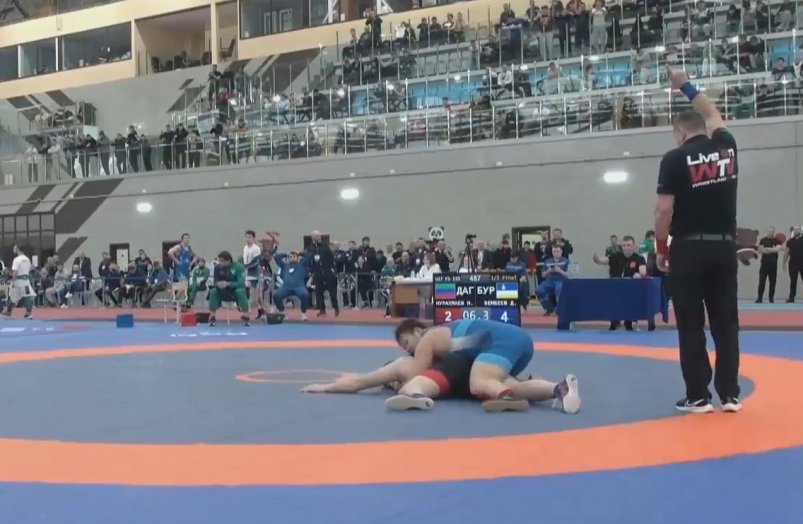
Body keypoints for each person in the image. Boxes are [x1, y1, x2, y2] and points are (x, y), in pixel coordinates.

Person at [656, 67, 741, 414]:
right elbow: (712, 112)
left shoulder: (674, 159)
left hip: (688, 248)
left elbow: (663, 211)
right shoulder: (726, 145)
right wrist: (685, 86)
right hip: (724, 246)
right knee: (726, 323)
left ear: (679, 133)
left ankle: (698, 396)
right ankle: (730, 395)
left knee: (690, 323)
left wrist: (661, 249)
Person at [303, 318, 579, 414]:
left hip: (499, 341)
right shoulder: (450, 339)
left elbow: (417, 372)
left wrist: (396, 382)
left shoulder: (429, 338)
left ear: (417, 331)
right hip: (514, 345)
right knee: (502, 383)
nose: (407, 349)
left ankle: (415, 396)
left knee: (479, 383)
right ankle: (558, 389)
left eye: (406, 342)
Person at [592, 235, 647, 330]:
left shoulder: (639, 258)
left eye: (628, 245)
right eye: (624, 245)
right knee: (613, 302)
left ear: (633, 246)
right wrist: (596, 259)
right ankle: (614, 322)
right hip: (615, 286)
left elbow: (643, 271)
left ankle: (628, 323)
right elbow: (602, 261)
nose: (626, 247)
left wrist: (639, 274)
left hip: (630, 289)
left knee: (630, 302)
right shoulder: (615, 256)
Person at [208, 251, 250, 327]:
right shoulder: (217, 268)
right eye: (220, 260)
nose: (220, 263)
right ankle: (212, 316)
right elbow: (215, 282)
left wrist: (228, 284)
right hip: (222, 291)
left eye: (222, 261)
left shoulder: (238, 267)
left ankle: (246, 315)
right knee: (213, 291)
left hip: (234, 292)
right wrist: (218, 284)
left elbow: (241, 283)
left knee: (240, 291)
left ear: (228, 261)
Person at [272, 249, 311, 321]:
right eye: (290, 257)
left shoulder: (302, 264)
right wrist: (286, 254)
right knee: (276, 296)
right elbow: (276, 257)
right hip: (286, 287)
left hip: (299, 287)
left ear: (297, 258)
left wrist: (299, 253)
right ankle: (283, 312)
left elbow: (309, 255)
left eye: (294, 256)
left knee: (304, 295)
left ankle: (303, 314)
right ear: (288, 258)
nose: (292, 258)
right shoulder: (284, 265)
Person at [1, 245, 35, 319]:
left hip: (18, 280)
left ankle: (9, 312)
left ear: (17, 249)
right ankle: (28, 313)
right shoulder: (27, 259)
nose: (13, 249)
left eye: (14, 248)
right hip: (26, 281)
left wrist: (12, 281)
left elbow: (15, 272)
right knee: (27, 296)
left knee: (13, 296)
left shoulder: (17, 260)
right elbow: (28, 270)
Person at [535, 244, 570, 315]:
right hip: (549, 281)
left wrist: (559, 270)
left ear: (561, 252)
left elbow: (569, 275)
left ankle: (559, 309)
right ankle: (549, 308)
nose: (556, 253)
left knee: (559, 290)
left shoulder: (566, 261)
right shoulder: (548, 261)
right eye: (554, 251)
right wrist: (549, 271)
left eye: (557, 251)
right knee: (538, 290)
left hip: (561, 281)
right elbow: (543, 275)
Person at [756, 226, 782, 303]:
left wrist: (767, 249)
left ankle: (771, 298)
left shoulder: (777, 240)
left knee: (772, 282)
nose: (771, 233)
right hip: (764, 265)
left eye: (772, 231)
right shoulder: (763, 240)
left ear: (774, 232)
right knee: (761, 282)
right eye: (770, 231)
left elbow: (777, 249)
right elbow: (760, 251)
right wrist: (772, 249)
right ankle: (759, 298)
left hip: (773, 265)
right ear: (767, 232)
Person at [243, 230, 264, 320]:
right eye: (246, 237)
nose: (248, 239)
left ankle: (248, 312)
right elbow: (245, 259)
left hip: (254, 273)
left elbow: (256, 262)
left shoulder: (256, 249)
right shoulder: (245, 248)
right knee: (249, 293)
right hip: (247, 272)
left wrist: (247, 266)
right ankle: (260, 310)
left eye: (250, 237)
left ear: (254, 238)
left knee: (253, 294)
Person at [784, 225, 803, 302]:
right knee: (793, 281)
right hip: (793, 264)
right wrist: (784, 263)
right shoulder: (790, 241)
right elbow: (787, 253)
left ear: (800, 230)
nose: (796, 230)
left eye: (798, 229)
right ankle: (791, 297)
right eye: (795, 229)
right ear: (793, 231)